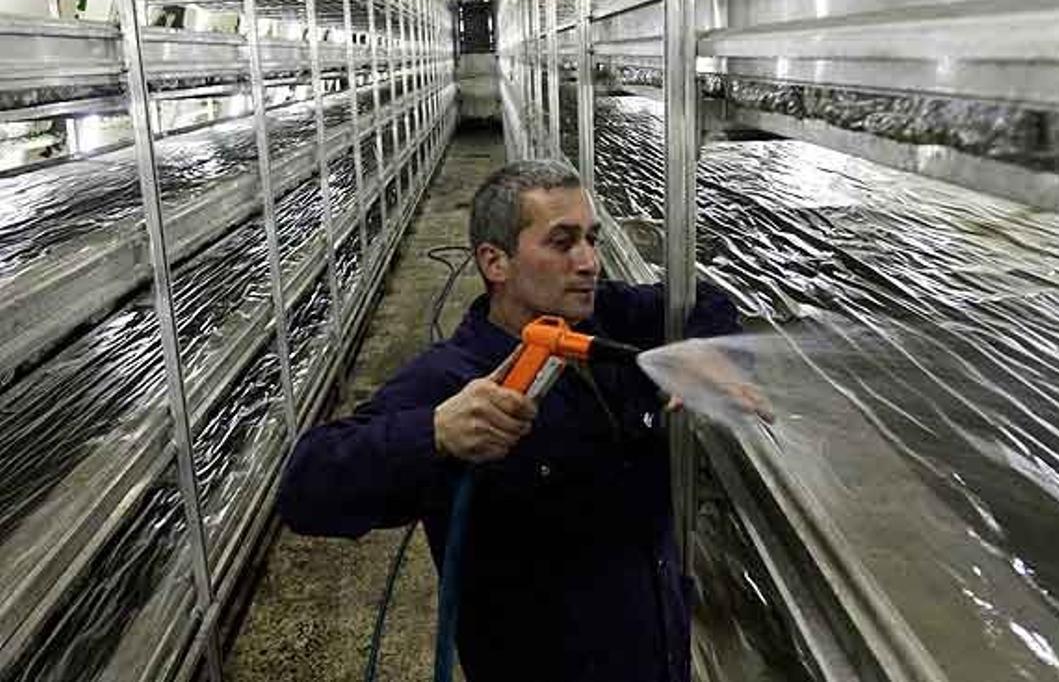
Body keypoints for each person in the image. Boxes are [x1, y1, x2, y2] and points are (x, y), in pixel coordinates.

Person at [279, 160, 742, 682]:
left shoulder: (603, 316)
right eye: (562, 243)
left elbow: (704, 299)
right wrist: (434, 433)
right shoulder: (454, 378)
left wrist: (705, 347)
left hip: (655, 648)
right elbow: (305, 487)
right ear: (495, 262)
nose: (589, 261)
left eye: (592, 239)